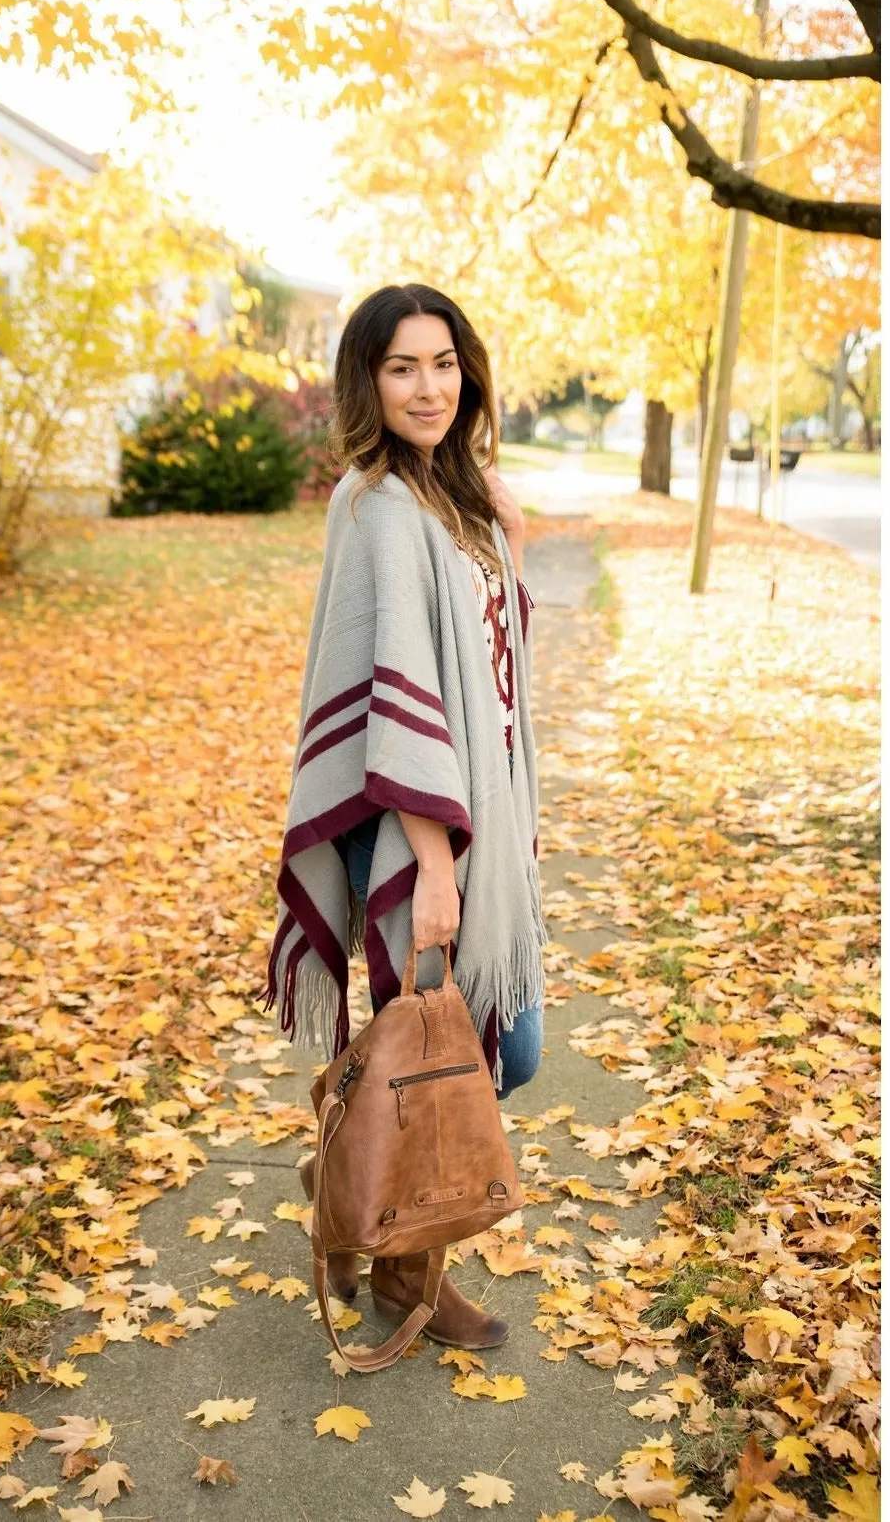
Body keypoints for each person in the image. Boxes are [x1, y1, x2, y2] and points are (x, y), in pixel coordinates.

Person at [263, 283, 549, 1351]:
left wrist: (509, 544)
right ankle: (399, 1269)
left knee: (484, 1051)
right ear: (367, 382)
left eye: (442, 363)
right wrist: (434, 865)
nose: (427, 387)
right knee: (468, 1049)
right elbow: (397, 686)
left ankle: (346, 1172)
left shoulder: (456, 492)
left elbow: (493, 662)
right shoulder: (379, 502)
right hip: (419, 828)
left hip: (484, 818)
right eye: (401, 368)